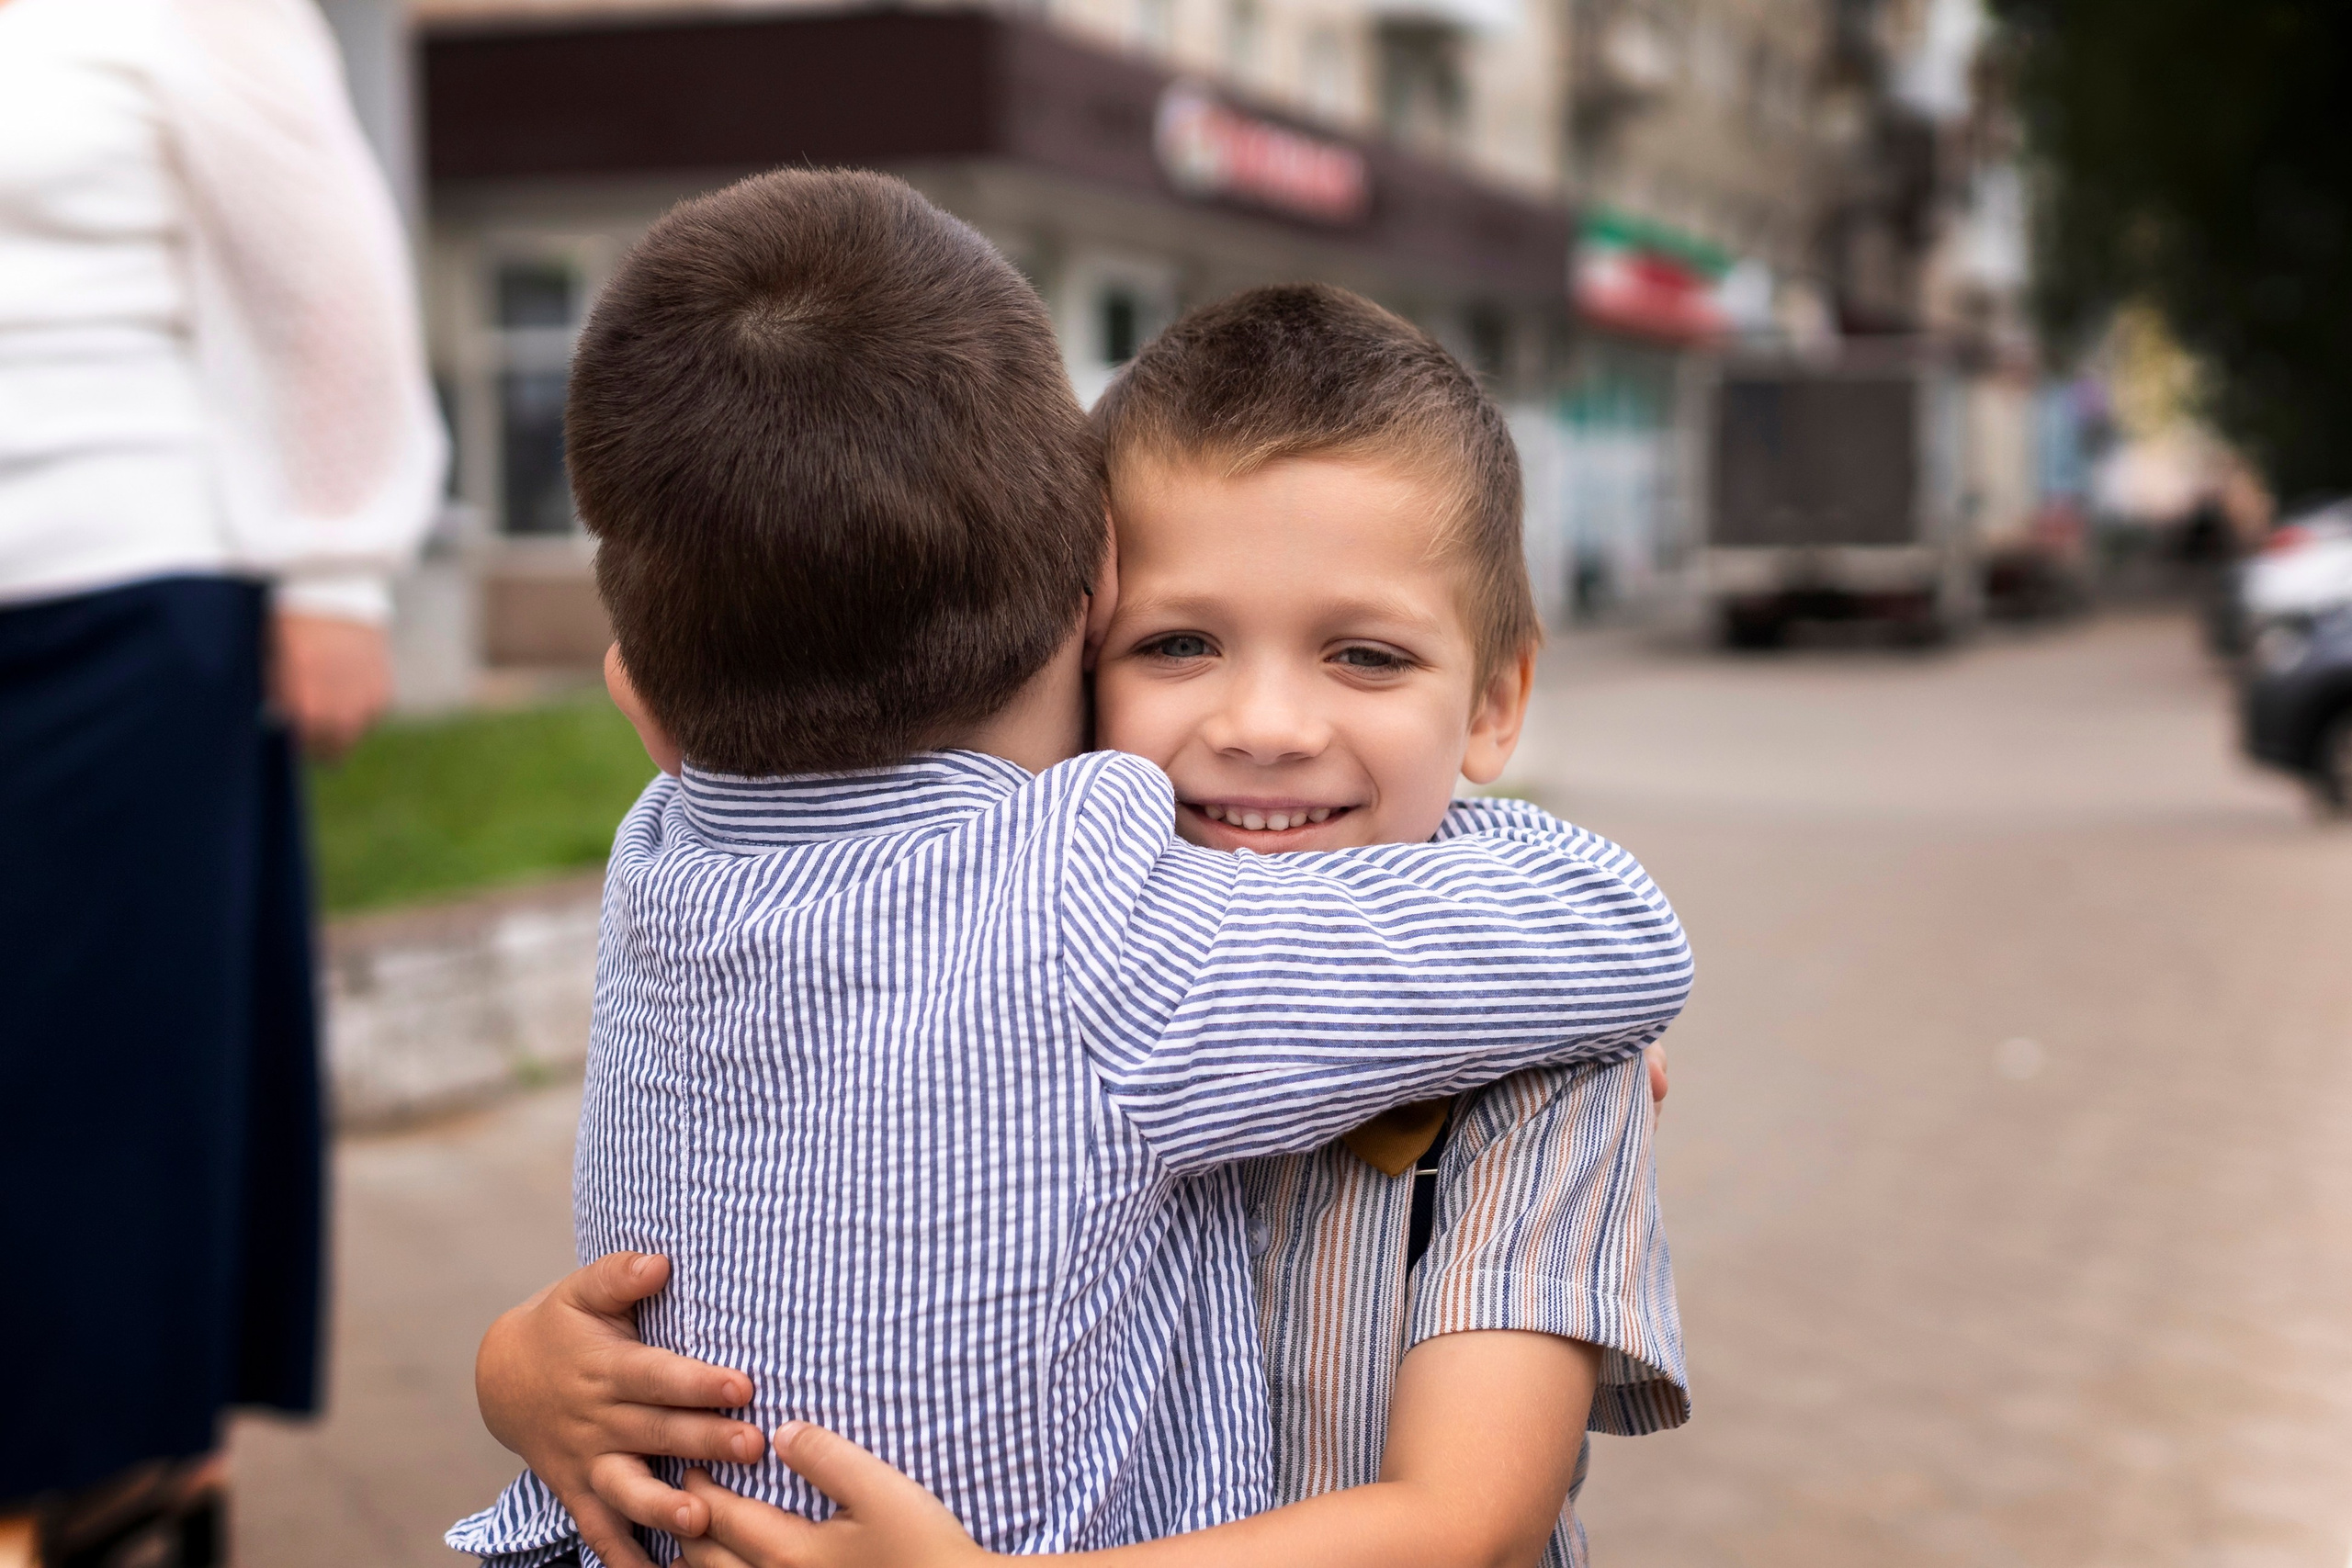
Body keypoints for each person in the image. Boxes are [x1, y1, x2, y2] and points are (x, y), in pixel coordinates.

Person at [445, 174, 1690, 1568]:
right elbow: (1610, 923)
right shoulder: (1100, 910)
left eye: (1366, 654)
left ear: (644, 715)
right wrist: (517, 1366)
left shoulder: (662, 852)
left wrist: (1553, 1015)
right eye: (1176, 645)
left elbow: (1472, 1517)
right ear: (1083, 621)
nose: (1262, 728)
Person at [0, 0, 444, 1563]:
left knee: (100, 1083)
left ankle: (118, 1485)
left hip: (121, 603)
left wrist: (337, 568)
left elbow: (325, 273)